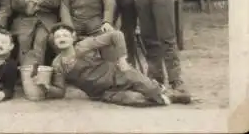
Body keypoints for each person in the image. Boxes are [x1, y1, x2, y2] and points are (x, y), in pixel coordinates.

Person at [36, 23, 175, 107]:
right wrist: (47, 87)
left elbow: (116, 35)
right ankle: (163, 94)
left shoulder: (85, 45)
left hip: (119, 75)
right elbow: (60, 91)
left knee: (149, 89)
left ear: (72, 38)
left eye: (65, 35)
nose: (61, 38)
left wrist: (122, 59)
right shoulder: (57, 63)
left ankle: (166, 93)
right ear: (54, 42)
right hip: (103, 93)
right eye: (58, 37)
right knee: (136, 99)